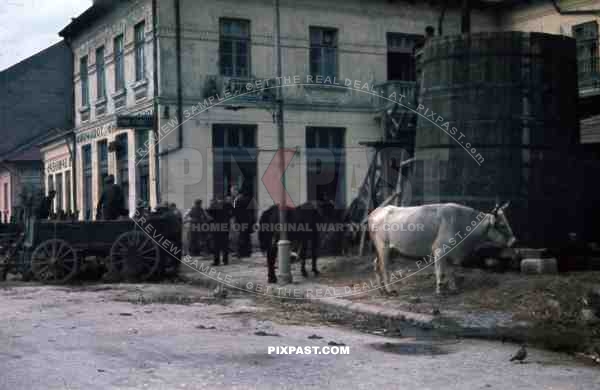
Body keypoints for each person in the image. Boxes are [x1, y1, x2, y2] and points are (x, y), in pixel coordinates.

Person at [208, 196, 233, 266]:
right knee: (225, 244)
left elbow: (209, 215)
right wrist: (227, 219)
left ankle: (216, 261)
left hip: (216, 227)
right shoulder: (228, 205)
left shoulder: (213, 205)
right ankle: (225, 261)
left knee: (216, 245)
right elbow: (232, 213)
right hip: (225, 226)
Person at [233, 186, 255, 258]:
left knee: (241, 237)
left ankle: (241, 253)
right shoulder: (249, 199)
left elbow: (237, 212)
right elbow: (252, 211)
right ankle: (248, 252)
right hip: (249, 222)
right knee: (247, 237)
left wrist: (236, 222)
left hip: (241, 221)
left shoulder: (238, 200)